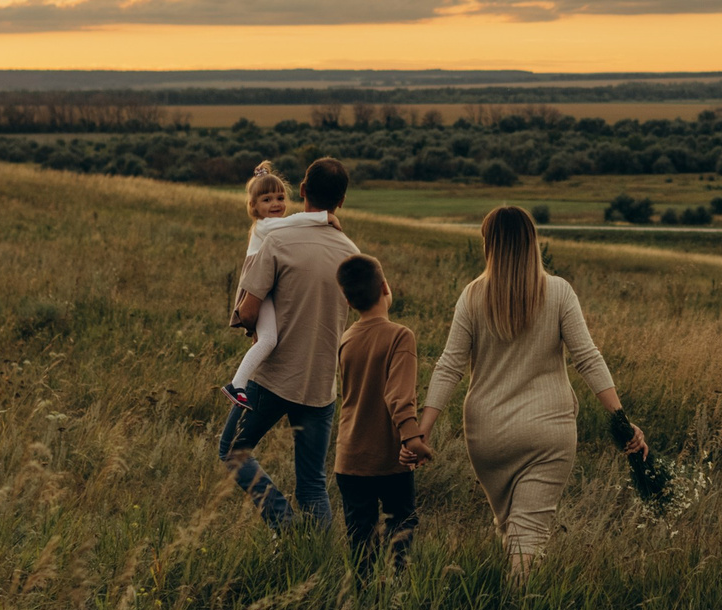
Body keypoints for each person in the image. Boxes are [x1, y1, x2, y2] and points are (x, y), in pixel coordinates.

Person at [408, 205, 645, 583]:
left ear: (489, 245)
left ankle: (512, 598)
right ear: (532, 242)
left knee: (512, 527)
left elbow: (449, 366)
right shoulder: (558, 291)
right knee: (528, 532)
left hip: (487, 434)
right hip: (547, 431)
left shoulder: (472, 296)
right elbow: (587, 358)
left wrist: (423, 429)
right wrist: (622, 419)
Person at [221, 157, 358, 529]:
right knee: (313, 482)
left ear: (301, 190)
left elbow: (248, 310)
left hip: (275, 377)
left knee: (233, 450)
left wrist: (257, 328)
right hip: (321, 383)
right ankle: (316, 554)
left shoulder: (278, 239)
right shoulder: (350, 251)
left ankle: (286, 526)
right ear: (341, 200)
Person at [332, 253, 425, 573]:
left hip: (349, 458)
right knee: (401, 525)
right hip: (389, 460)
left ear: (347, 301)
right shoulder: (400, 335)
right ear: (385, 287)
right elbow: (399, 395)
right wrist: (412, 438)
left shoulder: (347, 338)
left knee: (360, 539)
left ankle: (362, 596)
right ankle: (393, 592)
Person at [223, 162, 324, 408]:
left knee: (268, 337)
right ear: (254, 206)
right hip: (257, 283)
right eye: (267, 200)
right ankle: (237, 384)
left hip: (264, 282)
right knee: (269, 340)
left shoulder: (271, 225)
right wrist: (325, 217)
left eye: (280, 198)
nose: (276, 204)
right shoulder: (265, 224)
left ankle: (243, 383)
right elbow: (295, 223)